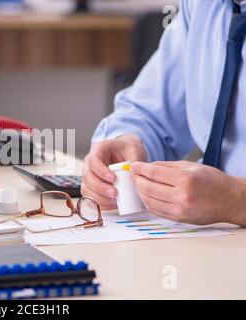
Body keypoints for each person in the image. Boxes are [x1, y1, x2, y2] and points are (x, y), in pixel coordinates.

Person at [82, 0, 246, 226]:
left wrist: (236, 201)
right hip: (210, 239)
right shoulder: (202, 5)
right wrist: (129, 140)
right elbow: (151, 113)